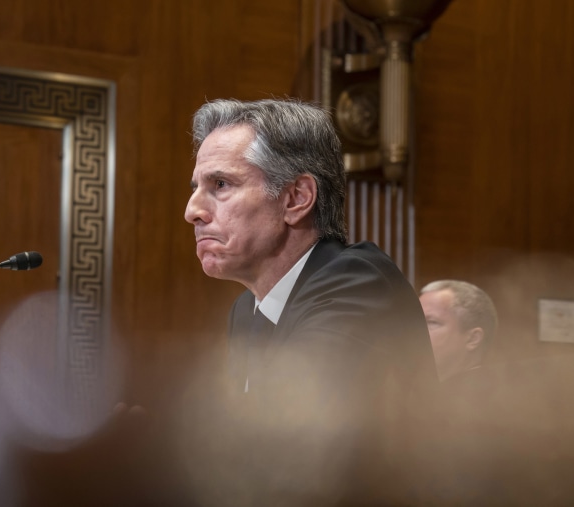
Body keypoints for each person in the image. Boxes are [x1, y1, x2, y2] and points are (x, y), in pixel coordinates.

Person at [182, 98, 436, 506]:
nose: (192, 210)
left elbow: (290, 453)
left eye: (221, 185)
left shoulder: (358, 285)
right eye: (196, 188)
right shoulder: (246, 312)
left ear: (296, 198)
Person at [419, 280, 498, 382]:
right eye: (416, 322)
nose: (415, 331)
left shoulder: (498, 394)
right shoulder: (410, 390)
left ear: (473, 339)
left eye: (432, 322)